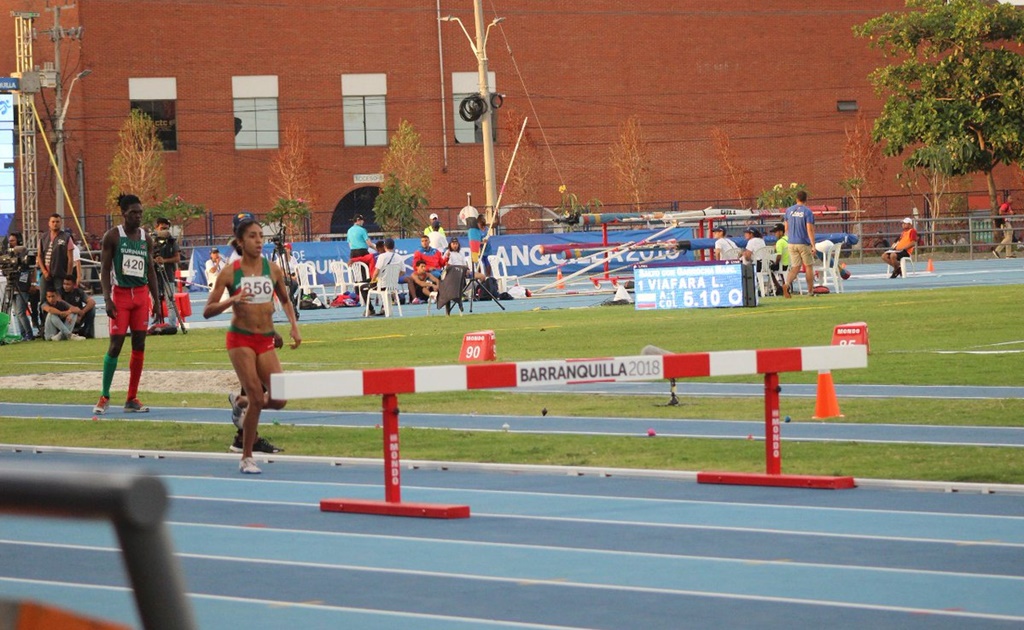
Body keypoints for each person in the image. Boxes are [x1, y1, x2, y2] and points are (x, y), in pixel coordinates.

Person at [204, 215, 301, 474]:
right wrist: (232, 300)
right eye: (252, 236)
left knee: (279, 399)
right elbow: (207, 310)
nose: (259, 241)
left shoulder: (273, 269)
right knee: (258, 397)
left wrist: (292, 326)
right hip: (240, 339)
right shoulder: (230, 272)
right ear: (240, 242)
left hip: (265, 339)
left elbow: (284, 299)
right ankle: (246, 456)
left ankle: (239, 402)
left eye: (261, 236)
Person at [94, 194, 160, 415]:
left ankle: (132, 398)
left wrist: (157, 300)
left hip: (141, 296)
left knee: (139, 345)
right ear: (123, 214)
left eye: (140, 212)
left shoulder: (146, 238)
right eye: (133, 213)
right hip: (120, 296)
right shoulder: (112, 236)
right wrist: (107, 298)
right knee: (115, 345)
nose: (138, 216)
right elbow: (104, 269)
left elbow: (150, 270)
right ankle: (104, 395)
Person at [781, 190, 816, 298]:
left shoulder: (789, 211)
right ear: (806, 199)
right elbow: (809, 229)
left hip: (791, 242)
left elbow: (786, 228)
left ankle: (786, 285)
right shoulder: (807, 212)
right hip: (803, 243)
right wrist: (813, 244)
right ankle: (810, 291)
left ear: (796, 199)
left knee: (795, 267)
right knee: (809, 266)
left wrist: (790, 237)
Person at [4, 233, 35, 340]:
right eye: (10, 240)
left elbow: (30, 268)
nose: (10, 243)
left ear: (18, 241)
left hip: (22, 286)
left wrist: (32, 283)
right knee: (17, 313)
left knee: (21, 312)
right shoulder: (7, 254)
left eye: (13, 240)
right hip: (11, 284)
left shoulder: (24, 252)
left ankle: (29, 334)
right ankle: (23, 335)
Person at [37, 213, 75, 294]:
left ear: (61, 223)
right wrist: (44, 271)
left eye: (57, 222)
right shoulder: (43, 237)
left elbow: (70, 259)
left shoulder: (66, 237)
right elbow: (39, 256)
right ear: (49, 223)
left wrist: (68, 276)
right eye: (53, 222)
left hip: (60, 274)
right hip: (45, 273)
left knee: (59, 296)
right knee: (43, 296)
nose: (55, 224)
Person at [768, 223, 789, 295]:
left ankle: (779, 287)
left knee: (769, 270)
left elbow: (779, 256)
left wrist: (776, 264)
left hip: (783, 265)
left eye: (776, 232)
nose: (775, 234)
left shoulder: (779, 242)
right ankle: (785, 285)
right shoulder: (789, 239)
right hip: (790, 265)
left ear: (781, 232)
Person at [994, 194, 1015, 259]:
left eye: (1012, 198)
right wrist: (1009, 213)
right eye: (1011, 198)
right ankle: (997, 250)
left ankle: (1008, 255)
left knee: (1009, 238)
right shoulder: (1005, 205)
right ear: (1007, 199)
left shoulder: (1009, 206)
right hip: (1005, 223)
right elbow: (1001, 212)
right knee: (1008, 237)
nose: (1012, 200)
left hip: (1007, 222)